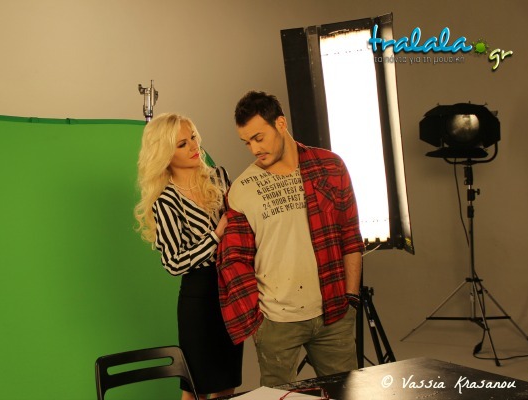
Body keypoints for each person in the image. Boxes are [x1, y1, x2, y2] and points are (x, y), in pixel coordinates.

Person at [216, 91, 365, 387]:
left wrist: (350, 297)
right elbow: (234, 260)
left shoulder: (331, 167)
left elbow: (350, 235)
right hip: (276, 321)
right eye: (247, 142)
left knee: (346, 392)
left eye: (259, 138)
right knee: (277, 397)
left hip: (333, 312)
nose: (254, 149)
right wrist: (257, 319)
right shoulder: (242, 189)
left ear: (280, 123)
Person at [135, 113, 243, 400]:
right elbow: (173, 262)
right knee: (194, 388)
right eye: (182, 144)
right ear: (166, 153)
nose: (194, 146)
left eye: (193, 137)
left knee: (227, 385)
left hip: (232, 289)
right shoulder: (165, 200)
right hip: (199, 297)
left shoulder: (219, 176)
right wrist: (216, 236)